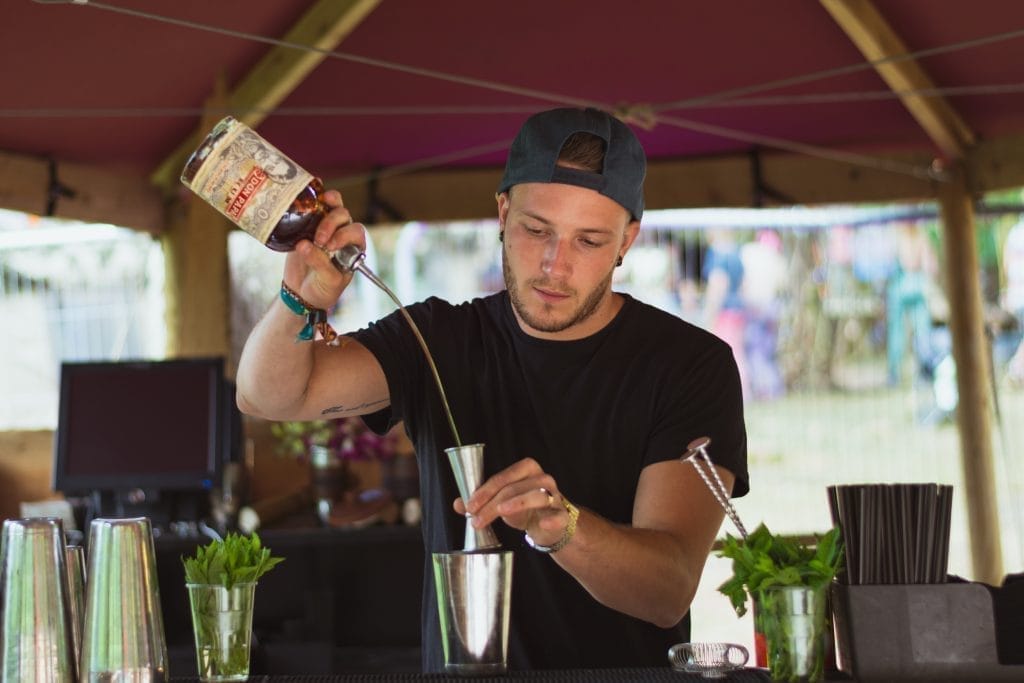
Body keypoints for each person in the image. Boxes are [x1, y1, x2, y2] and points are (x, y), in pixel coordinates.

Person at [235, 107, 749, 671]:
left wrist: (563, 527)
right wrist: (300, 299)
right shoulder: (436, 338)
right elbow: (267, 396)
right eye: (537, 230)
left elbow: (667, 591)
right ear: (503, 212)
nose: (555, 265)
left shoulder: (688, 365)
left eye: (589, 240)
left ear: (627, 240)